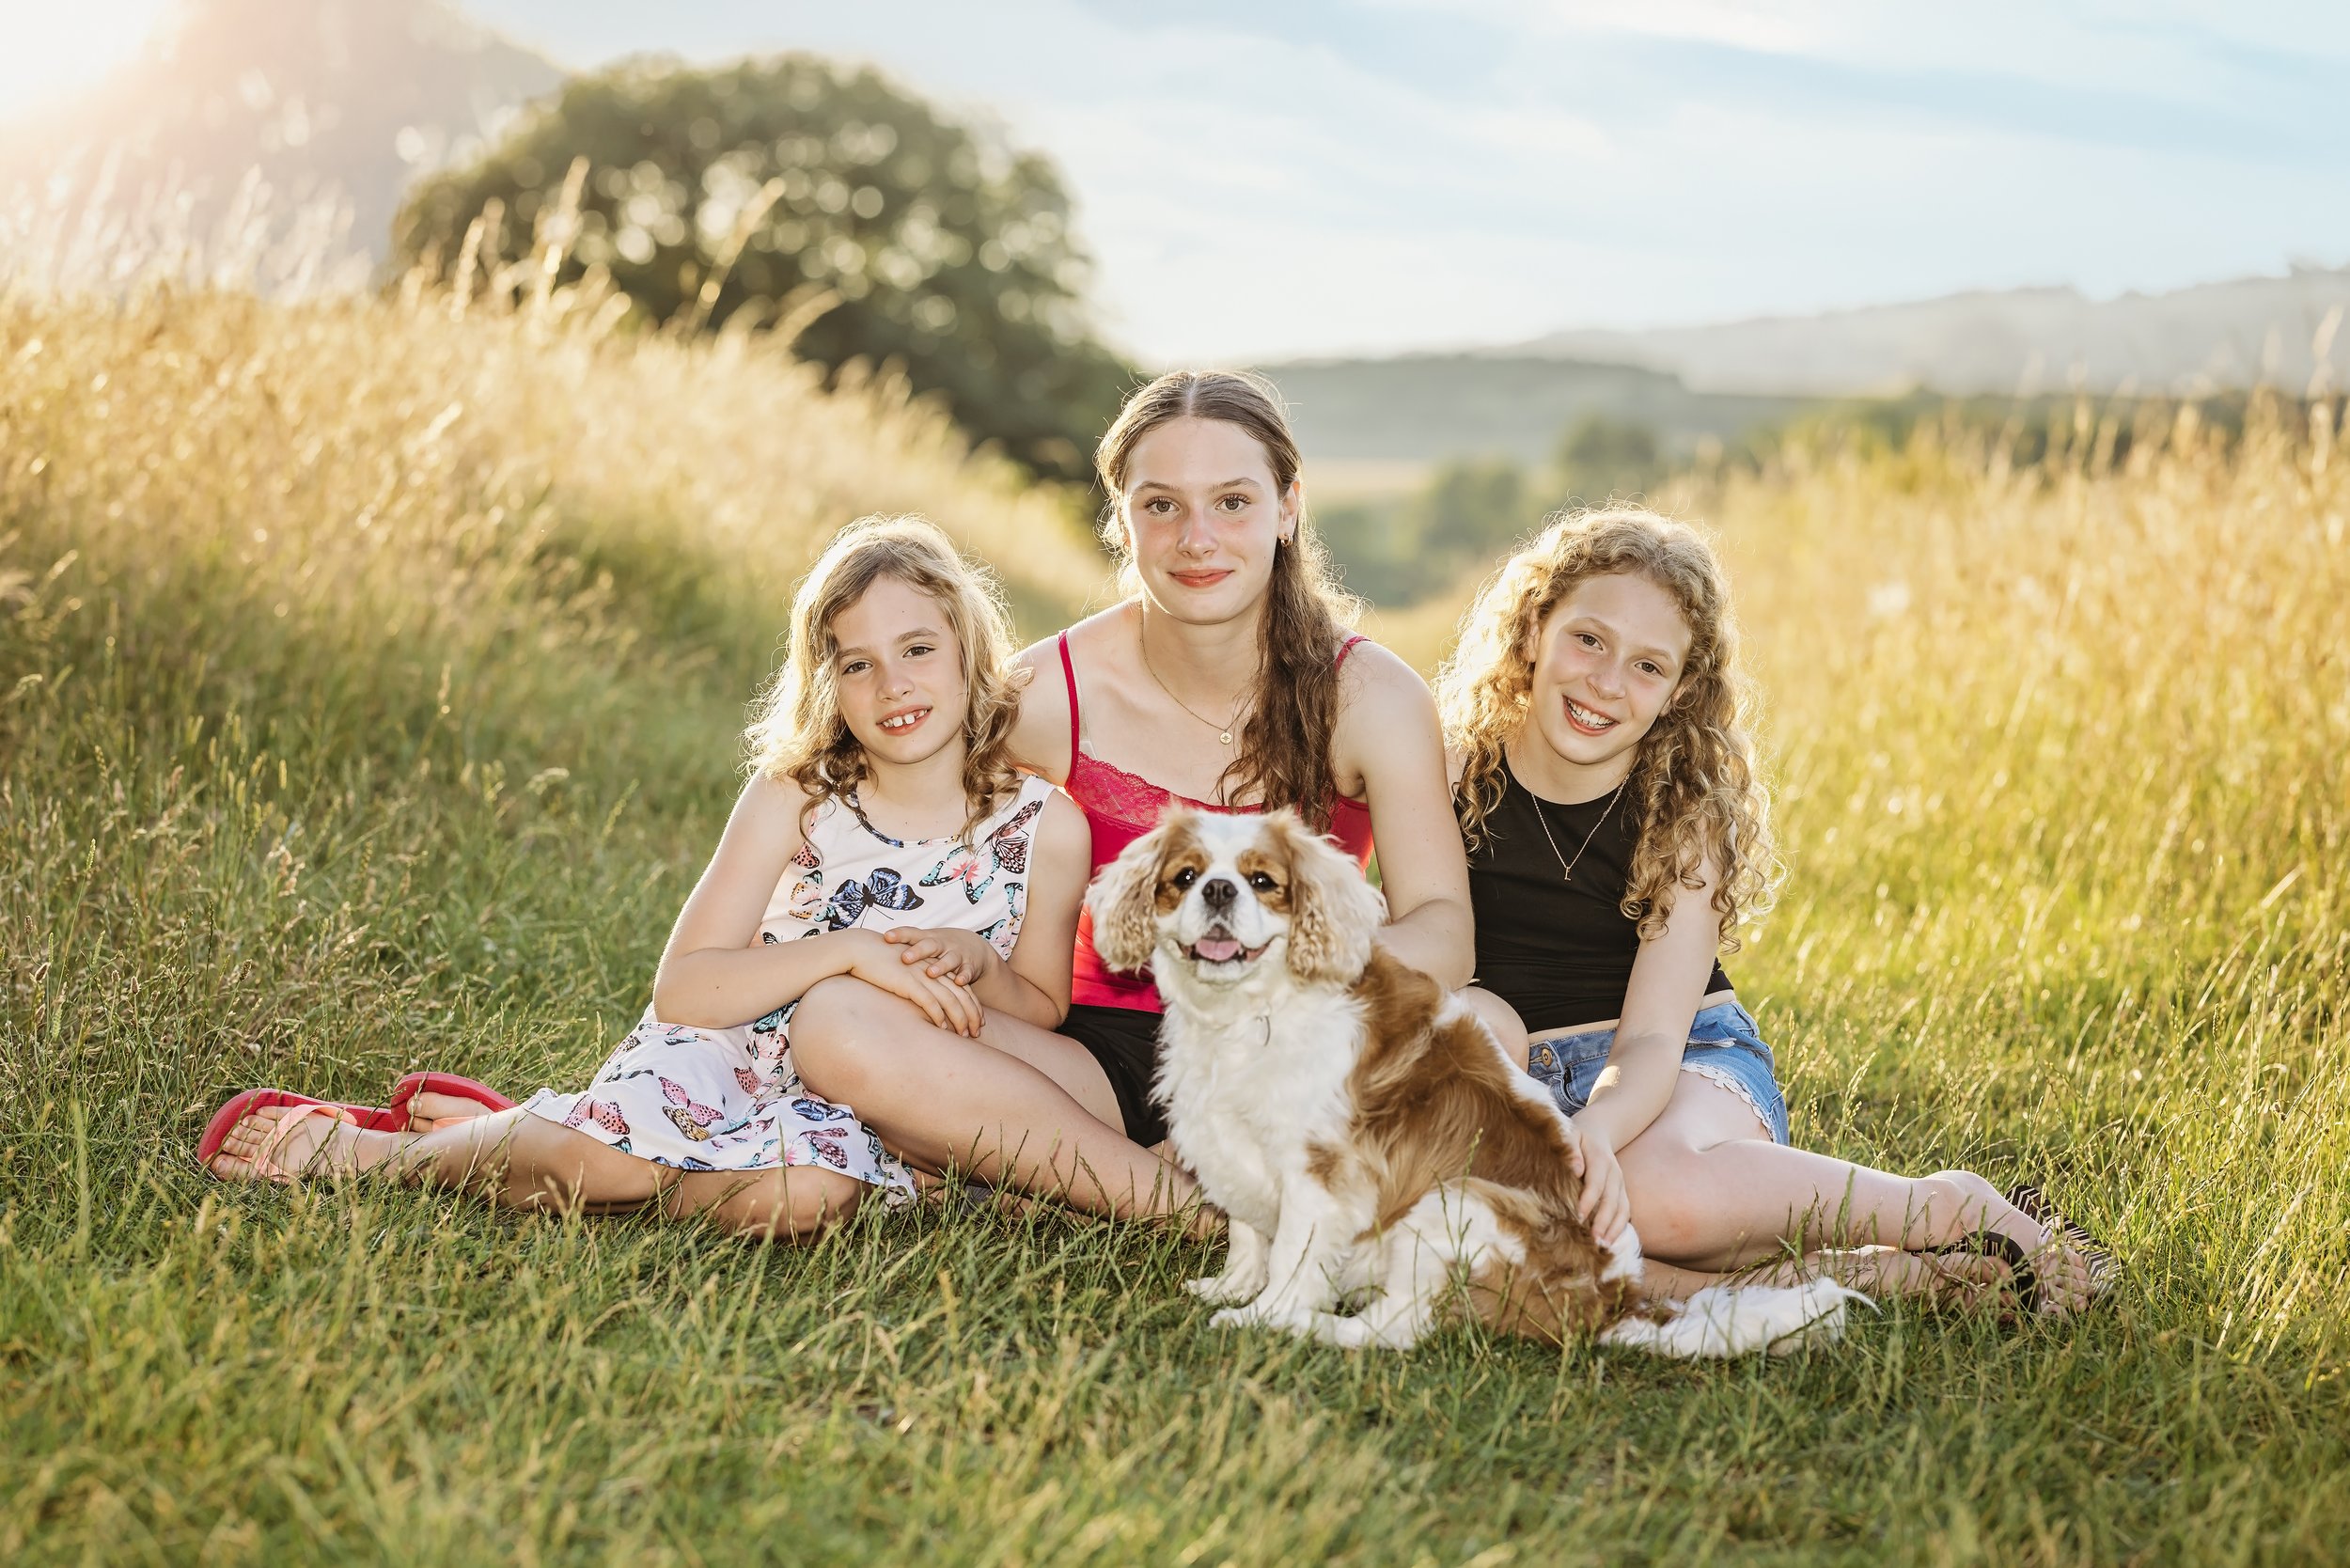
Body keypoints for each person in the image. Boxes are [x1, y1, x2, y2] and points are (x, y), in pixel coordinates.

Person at [198, 516, 1118, 1240]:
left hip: (879, 1086)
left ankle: (532, 1144)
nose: (894, 685)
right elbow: (686, 990)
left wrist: (972, 960)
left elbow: (1038, 1006)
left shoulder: (1044, 826)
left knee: (808, 1202)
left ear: (968, 647)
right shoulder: (796, 798)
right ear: (827, 684)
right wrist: (851, 953)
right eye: (857, 664)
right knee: (619, 1166)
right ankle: (377, 1157)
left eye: (918, 648)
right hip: (724, 1047)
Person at [775, 368, 1474, 1207]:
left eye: (1233, 502)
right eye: (1161, 504)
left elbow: (1443, 930)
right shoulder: (1047, 690)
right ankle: (1181, 1209)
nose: (1197, 539)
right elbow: (870, 786)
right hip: (1091, 1063)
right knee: (835, 1021)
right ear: (1121, 519)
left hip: (1294, 1041)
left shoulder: (1371, 697)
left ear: (1288, 507)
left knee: (1472, 1032)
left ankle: (1024, 1171)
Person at [1439, 507, 2114, 1313]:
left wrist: (1593, 1132)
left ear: (1680, 690)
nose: (1606, 682)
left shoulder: (1681, 812)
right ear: (1531, 632)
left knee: (1656, 1198)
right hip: (1522, 1072)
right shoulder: (1452, 771)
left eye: (1648, 666)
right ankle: (1855, 1280)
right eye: (1588, 639)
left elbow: (1652, 1035)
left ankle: (1943, 1207)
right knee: (1493, 1179)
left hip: (1680, 1064)